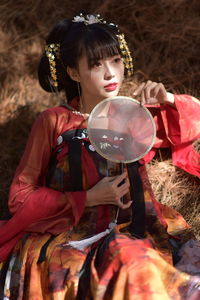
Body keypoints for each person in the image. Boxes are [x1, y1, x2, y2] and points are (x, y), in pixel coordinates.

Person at [0, 13, 200, 300]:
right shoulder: (54, 122)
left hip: (133, 229)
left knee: (133, 260)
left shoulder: (133, 114)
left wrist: (168, 99)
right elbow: (19, 196)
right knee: (124, 264)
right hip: (69, 237)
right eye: (96, 64)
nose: (110, 73)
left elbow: (193, 126)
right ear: (73, 73)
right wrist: (88, 197)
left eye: (116, 60)